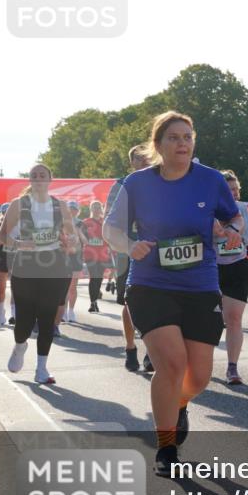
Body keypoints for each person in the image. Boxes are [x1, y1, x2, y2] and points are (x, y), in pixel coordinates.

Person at [104, 111, 243, 476]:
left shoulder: (211, 180)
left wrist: (230, 231)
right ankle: (166, 448)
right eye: (174, 138)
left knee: (197, 377)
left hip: (200, 286)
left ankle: (178, 403)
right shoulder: (137, 183)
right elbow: (111, 229)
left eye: (187, 137)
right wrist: (130, 245)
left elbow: (235, 218)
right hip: (151, 285)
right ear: (158, 144)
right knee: (171, 364)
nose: (182, 144)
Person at [3, 164, 76, 384]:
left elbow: (72, 238)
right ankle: (20, 345)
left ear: (50, 179)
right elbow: (1, 234)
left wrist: (68, 243)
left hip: (55, 267)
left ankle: (42, 369)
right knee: (24, 320)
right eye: (34, 175)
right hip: (25, 266)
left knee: (47, 318)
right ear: (30, 181)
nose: (38, 178)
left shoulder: (60, 206)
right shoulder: (19, 205)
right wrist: (18, 243)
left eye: (42, 175)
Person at [105, 145, 154, 372]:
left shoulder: (161, 181)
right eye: (138, 158)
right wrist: (127, 244)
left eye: (147, 157)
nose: (144, 160)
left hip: (156, 248)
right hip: (129, 249)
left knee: (158, 300)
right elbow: (111, 222)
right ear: (131, 162)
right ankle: (130, 346)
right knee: (130, 301)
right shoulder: (121, 185)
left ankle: (151, 351)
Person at [216, 170, 248, 385]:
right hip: (210, 268)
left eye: (236, 190)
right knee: (208, 321)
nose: (234, 194)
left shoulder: (241, 210)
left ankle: (232, 367)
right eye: (229, 190)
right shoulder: (208, 209)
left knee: (234, 319)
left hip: (236, 266)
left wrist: (238, 235)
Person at [60, 200, 86, 325]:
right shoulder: (61, 222)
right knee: (64, 286)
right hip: (64, 256)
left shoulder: (81, 223)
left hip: (76, 256)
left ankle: (71, 311)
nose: (72, 211)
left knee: (73, 286)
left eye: (74, 209)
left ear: (77, 211)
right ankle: (63, 311)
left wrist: (78, 232)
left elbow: (86, 241)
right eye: (70, 208)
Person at [82, 200, 110, 314]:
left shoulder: (105, 222)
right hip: (90, 254)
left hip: (103, 254)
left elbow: (109, 236)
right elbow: (82, 236)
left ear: (101, 209)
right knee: (94, 277)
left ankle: (95, 298)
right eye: (94, 207)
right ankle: (93, 303)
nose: (96, 209)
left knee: (99, 278)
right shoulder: (86, 222)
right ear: (91, 209)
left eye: (98, 207)